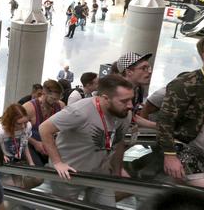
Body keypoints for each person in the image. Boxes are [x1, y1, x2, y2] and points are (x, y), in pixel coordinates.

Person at [40, 75, 134, 207]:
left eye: (131, 99)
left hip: (100, 174)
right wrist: (57, 162)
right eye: (124, 101)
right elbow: (44, 129)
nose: (130, 105)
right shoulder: (80, 111)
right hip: (70, 174)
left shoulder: (124, 114)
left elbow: (118, 143)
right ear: (105, 98)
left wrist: (117, 172)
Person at [158, 35, 204, 190]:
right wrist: (170, 156)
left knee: (182, 197)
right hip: (182, 150)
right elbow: (165, 121)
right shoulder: (185, 84)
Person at [22, 80, 65, 165]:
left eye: (58, 99)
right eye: (53, 99)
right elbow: (16, 131)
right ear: (44, 93)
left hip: (49, 145)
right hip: (29, 145)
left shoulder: (61, 106)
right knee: (37, 171)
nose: (56, 101)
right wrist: (35, 143)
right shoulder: (29, 107)